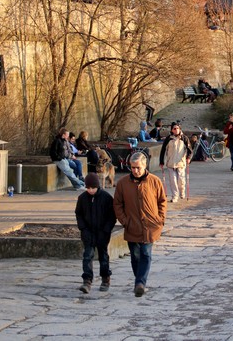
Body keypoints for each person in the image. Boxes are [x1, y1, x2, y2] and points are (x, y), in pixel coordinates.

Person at [113, 152, 166, 297]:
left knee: (146, 254)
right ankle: (139, 281)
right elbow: (117, 203)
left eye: (138, 168)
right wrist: (124, 221)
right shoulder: (123, 183)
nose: (135, 171)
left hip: (150, 226)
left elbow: (162, 201)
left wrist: (160, 219)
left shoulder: (155, 181)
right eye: (132, 167)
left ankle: (140, 283)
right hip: (132, 225)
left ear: (145, 166)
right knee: (135, 256)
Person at [75, 173, 117, 294]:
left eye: (93, 188)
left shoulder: (106, 197)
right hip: (88, 232)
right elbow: (79, 214)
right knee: (87, 256)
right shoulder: (82, 198)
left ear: (97, 186)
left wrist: (106, 229)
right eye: (88, 188)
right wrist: (83, 228)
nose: (91, 190)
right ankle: (87, 280)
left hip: (102, 233)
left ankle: (105, 278)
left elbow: (112, 216)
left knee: (103, 256)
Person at [159, 122, 192, 202]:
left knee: (181, 180)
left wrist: (188, 158)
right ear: (172, 130)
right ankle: (175, 196)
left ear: (180, 129)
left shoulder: (184, 138)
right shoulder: (168, 139)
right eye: (174, 129)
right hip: (171, 163)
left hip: (181, 163)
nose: (176, 130)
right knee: (173, 181)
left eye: (177, 128)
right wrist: (161, 161)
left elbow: (190, 150)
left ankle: (182, 192)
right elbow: (163, 150)